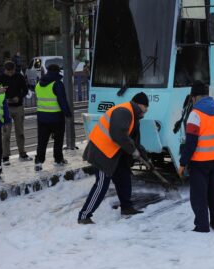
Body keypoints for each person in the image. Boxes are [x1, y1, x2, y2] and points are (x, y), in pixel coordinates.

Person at [78, 92, 150, 224]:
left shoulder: (134, 118)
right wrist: (132, 150)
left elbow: (135, 142)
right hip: (101, 152)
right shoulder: (123, 111)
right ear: (140, 105)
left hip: (113, 154)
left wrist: (145, 158)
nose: (147, 110)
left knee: (124, 177)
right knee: (101, 184)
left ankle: (127, 208)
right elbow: (118, 134)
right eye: (146, 107)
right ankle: (84, 215)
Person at [178, 82, 214, 233]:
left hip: (199, 161)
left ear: (194, 97)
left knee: (199, 195)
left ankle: (202, 225)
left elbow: (191, 142)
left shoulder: (195, 114)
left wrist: (182, 163)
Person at [34, 63, 72, 170]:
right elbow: (62, 101)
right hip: (56, 117)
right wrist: (68, 113)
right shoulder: (57, 83)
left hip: (42, 117)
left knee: (42, 140)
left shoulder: (38, 84)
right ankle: (58, 159)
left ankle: (38, 161)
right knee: (58, 139)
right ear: (57, 72)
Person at [0, 61, 29, 165]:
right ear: (5, 70)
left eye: (12, 71)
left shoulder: (19, 77)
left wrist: (19, 97)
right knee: (6, 134)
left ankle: (22, 153)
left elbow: (25, 90)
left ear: (14, 69)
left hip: (18, 107)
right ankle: (5, 156)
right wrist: (5, 99)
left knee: (20, 132)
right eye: (8, 72)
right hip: (6, 108)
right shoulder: (0, 78)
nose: (10, 74)